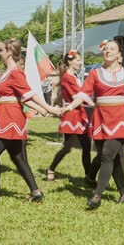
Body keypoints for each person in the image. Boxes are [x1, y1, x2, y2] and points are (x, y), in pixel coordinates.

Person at [0, 39, 61, 203]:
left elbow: (28, 95)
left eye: (2, 50)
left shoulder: (16, 73)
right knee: (18, 158)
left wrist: (48, 108)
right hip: (4, 118)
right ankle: (36, 192)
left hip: (10, 119)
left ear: (9, 52)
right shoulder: (6, 73)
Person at [63, 40, 124, 209]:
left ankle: (97, 195)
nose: (107, 51)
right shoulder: (95, 74)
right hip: (102, 119)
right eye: (106, 49)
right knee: (114, 157)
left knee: (106, 156)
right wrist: (69, 107)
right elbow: (82, 94)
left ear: (119, 55)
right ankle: (123, 192)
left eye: (112, 49)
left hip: (121, 120)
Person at [45, 50, 91, 182]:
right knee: (68, 147)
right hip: (72, 115)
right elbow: (78, 95)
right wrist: (92, 102)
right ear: (70, 62)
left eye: (80, 60)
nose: (80, 62)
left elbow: (66, 94)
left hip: (79, 112)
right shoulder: (68, 77)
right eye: (77, 60)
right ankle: (51, 168)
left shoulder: (72, 76)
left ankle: (88, 176)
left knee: (86, 146)